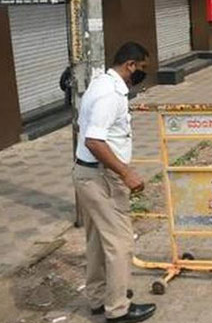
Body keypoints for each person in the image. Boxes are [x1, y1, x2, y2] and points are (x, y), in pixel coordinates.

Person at [73, 41, 157, 323]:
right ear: (129, 65)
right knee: (121, 243)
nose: (141, 74)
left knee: (97, 241)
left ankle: (99, 300)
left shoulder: (100, 85)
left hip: (88, 174)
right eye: (141, 69)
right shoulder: (111, 94)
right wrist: (125, 172)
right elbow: (94, 140)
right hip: (102, 178)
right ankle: (118, 309)